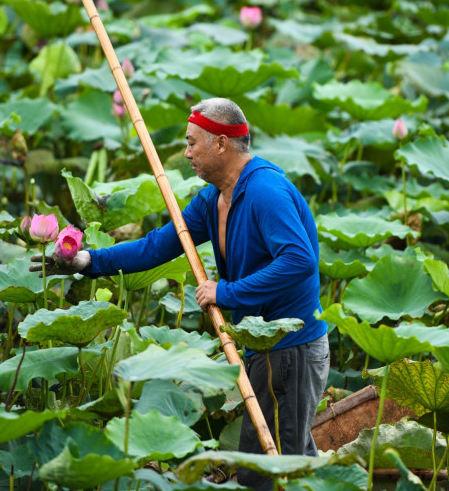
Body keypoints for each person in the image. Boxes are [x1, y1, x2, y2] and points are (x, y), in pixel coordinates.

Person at [31, 97, 329, 490]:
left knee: (281, 471)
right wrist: (88, 261)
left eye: (192, 143)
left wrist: (228, 292)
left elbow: (299, 262)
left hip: (290, 351)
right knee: (260, 469)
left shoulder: (264, 191)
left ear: (221, 144)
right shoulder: (215, 197)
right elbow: (159, 246)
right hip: (262, 346)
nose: (186, 153)